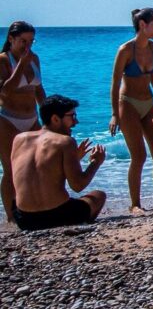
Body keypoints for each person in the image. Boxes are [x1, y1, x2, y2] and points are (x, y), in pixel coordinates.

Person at [10, 95, 106, 231]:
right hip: (58, 215)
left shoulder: (19, 139)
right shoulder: (65, 142)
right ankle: (81, 223)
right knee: (99, 195)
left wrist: (74, 159)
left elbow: (36, 173)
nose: (76, 121)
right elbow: (78, 185)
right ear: (55, 119)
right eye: (72, 116)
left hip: (24, 219)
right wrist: (96, 162)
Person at [108, 8, 153, 213]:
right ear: (143, 25)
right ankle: (135, 204)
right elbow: (115, 83)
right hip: (128, 104)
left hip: (148, 102)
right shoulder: (125, 50)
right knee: (139, 156)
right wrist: (115, 114)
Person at [1, 21, 45, 222]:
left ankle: (32, 207)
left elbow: (38, 88)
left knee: (36, 165)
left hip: (32, 117)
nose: (27, 46)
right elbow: (6, 91)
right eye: (22, 41)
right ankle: (11, 217)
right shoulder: (3, 60)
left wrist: (47, 113)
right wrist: (21, 64)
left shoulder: (34, 58)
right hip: (9, 119)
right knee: (11, 169)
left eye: (31, 41)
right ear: (11, 39)